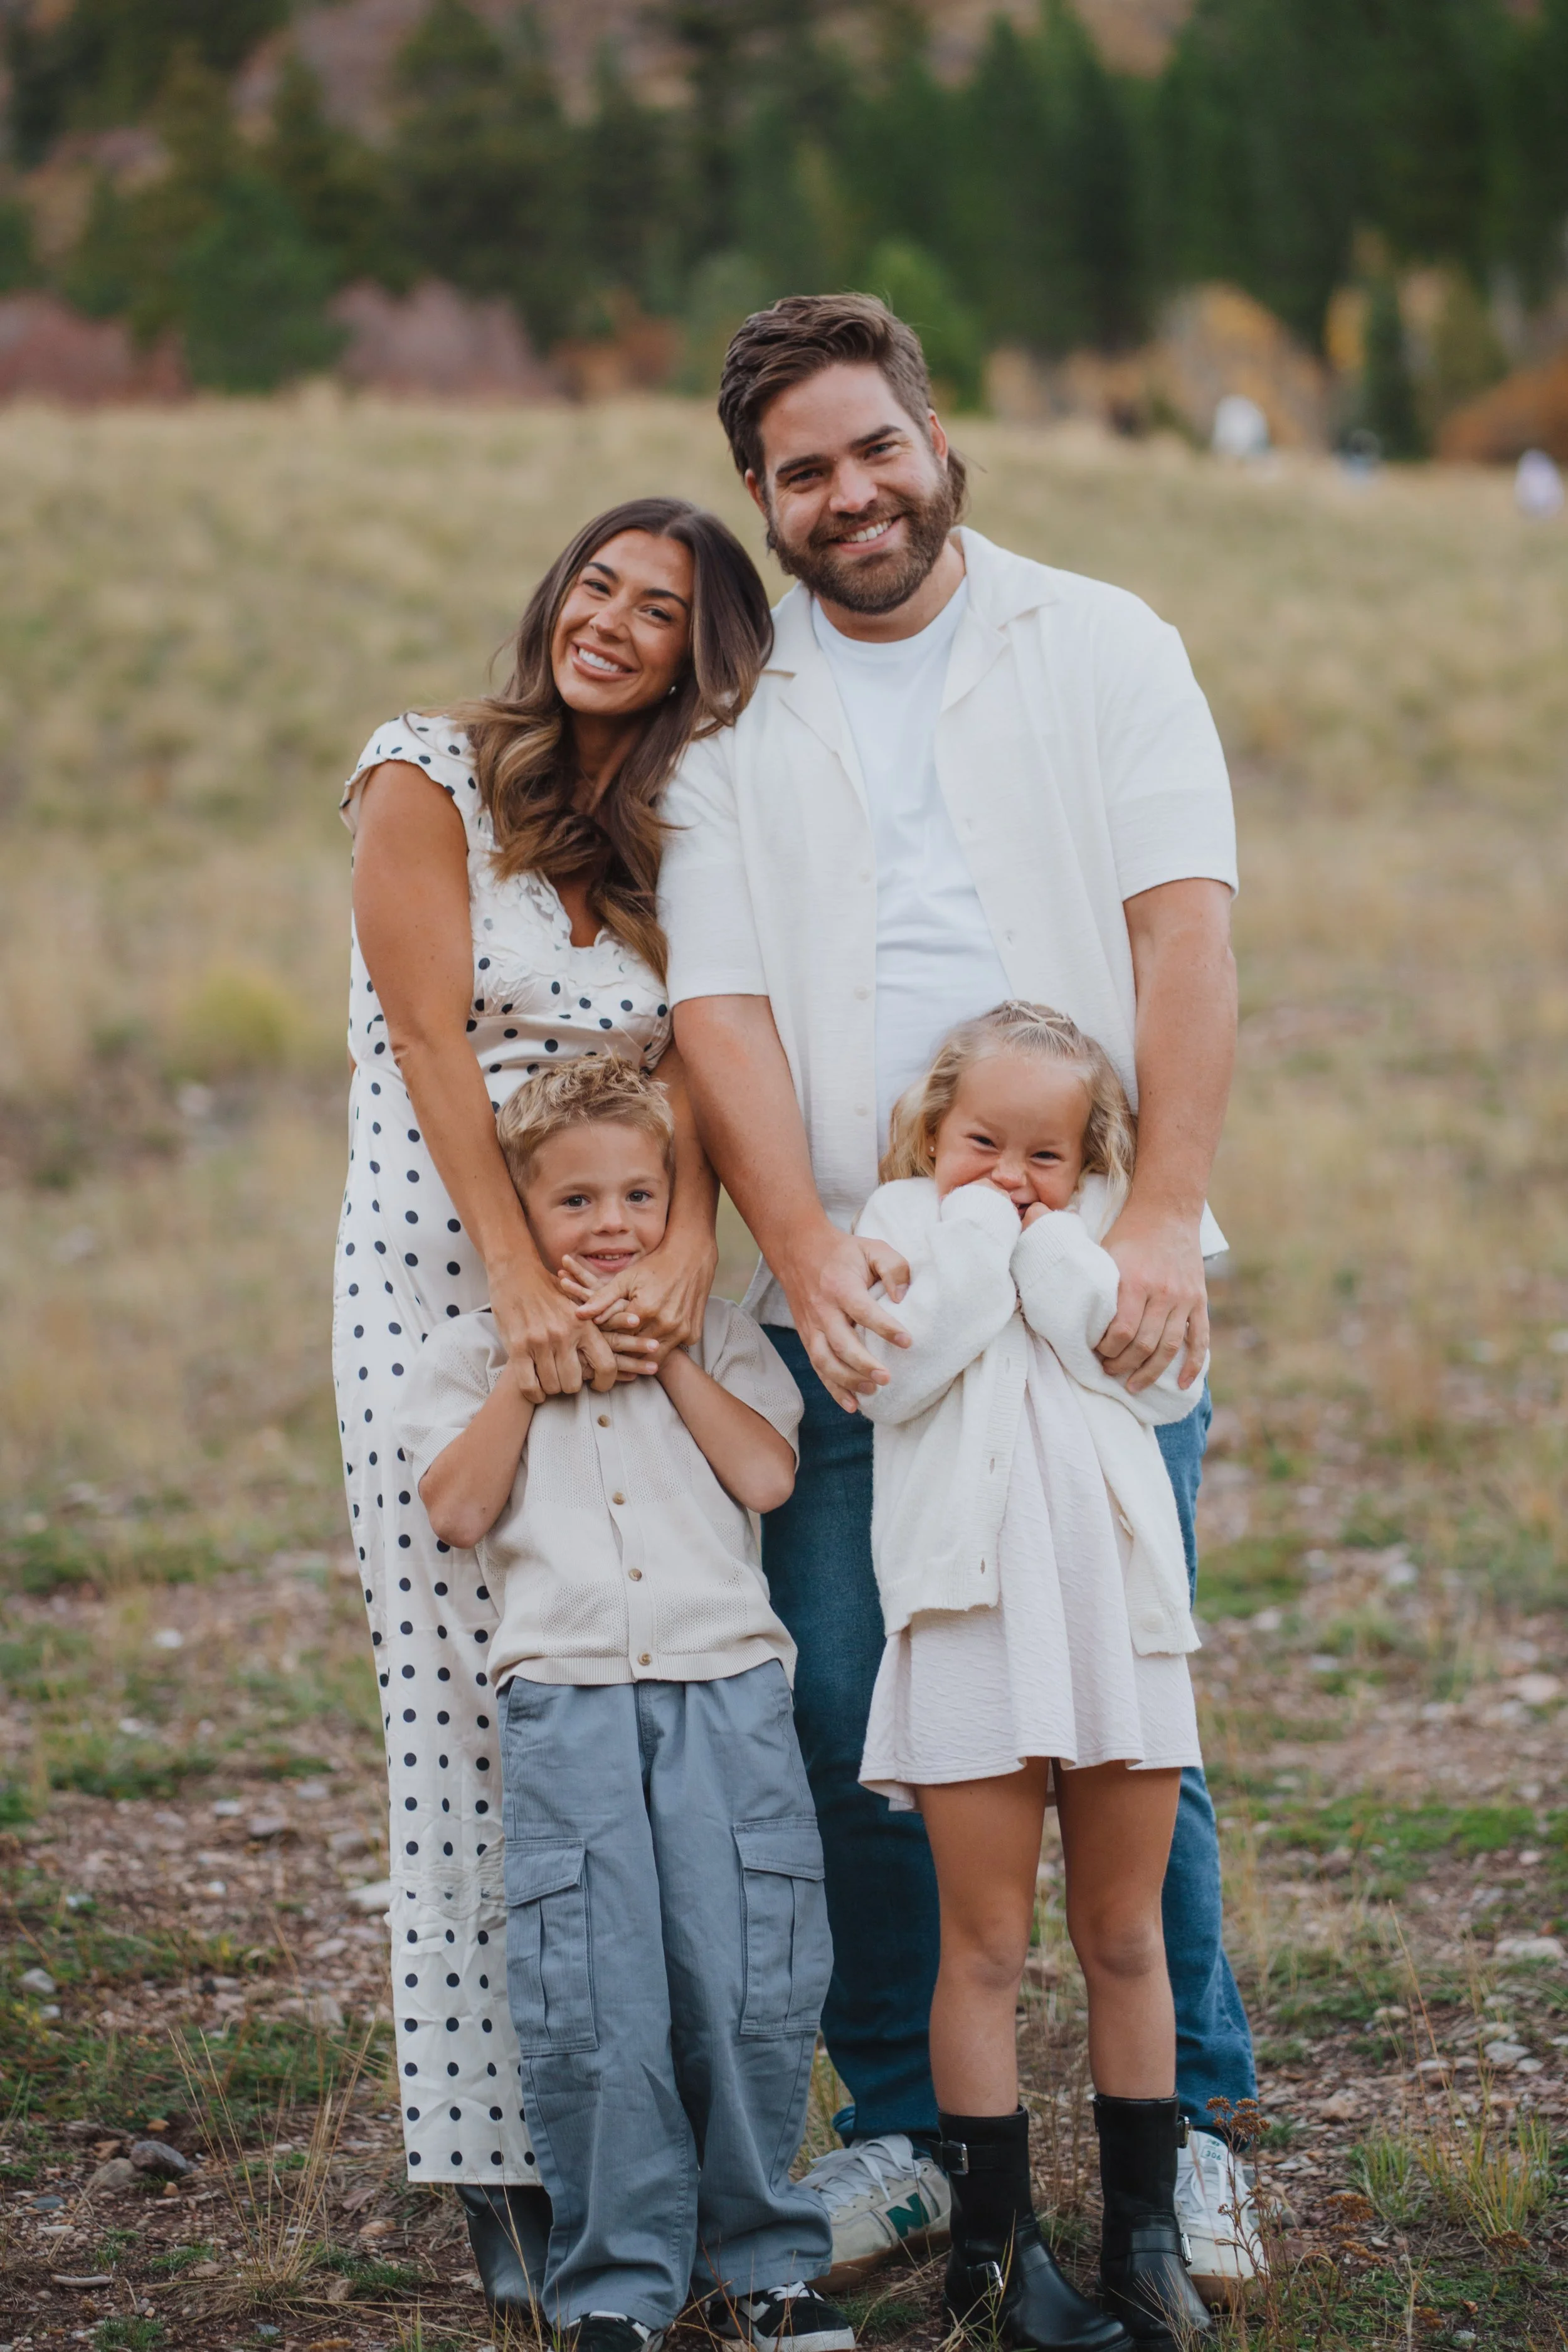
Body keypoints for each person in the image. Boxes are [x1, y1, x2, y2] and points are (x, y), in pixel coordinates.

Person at [660, 294, 1262, 2302]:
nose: (851, 494)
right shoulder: (732, 720)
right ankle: (925, 2136)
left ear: (935, 431)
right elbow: (721, 1002)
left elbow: (1182, 938)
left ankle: (1191, 2155)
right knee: (862, 1704)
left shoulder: (1098, 641)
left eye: (872, 446)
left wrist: (1163, 1213)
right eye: (802, 472)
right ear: (765, 500)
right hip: (867, 1293)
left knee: (1123, 1709)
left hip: (1091, 1267)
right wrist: (809, 1249)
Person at [332, 497, 772, 2314]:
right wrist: (513, 1278)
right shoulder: (425, 767)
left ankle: (658, 2138)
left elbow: (735, 1053)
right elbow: (433, 1033)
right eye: (594, 583)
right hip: (440, 1284)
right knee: (469, 1714)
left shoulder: (680, 850)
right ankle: (495, 2162)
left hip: (636, 1277)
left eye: (656, 608)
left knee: (646, 1702)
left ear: (696, 657)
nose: (607, 619)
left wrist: (696, 1255)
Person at [401, 1056, 857, 2352]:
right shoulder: (469, 1354)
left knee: (743, 1978)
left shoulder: (715, 1334)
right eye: (575, 1202)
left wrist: (668, 1365)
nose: (610, 1224)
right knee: (592, 1998)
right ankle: (614, 2283)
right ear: (519, 1216)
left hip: (725, 1694)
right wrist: (527, 1378)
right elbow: (455, 1508)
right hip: (568, 1705)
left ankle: (764, 2259)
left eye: (638, 1196)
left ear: (677, 1202)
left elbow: (767, 1478)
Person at [855, 1002, 1212, 2351]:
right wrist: (975, 1236)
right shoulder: (894, 1229)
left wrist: (1059, 1243)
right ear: (932, 1131)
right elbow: (894, 1377)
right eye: (980, 1143)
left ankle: (1146, 2237)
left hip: (1114, 1621)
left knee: (1124, 1935)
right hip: (968, 1624)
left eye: (1045, 1157)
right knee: (986, 1945)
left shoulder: (1122, 1240)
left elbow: (1157, 1381)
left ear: (1093, 1160)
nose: (1008, 1174)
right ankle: (992, 2263)